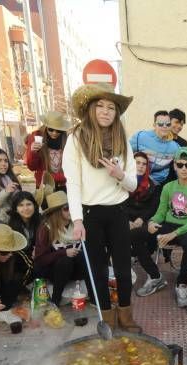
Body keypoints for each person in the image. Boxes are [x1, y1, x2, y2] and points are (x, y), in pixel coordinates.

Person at [63, 82, 142, 333]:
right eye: (101, 106)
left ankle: (126, 316)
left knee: (122, 268)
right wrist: (77, 220)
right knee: (96, 270)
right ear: (91, 109)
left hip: (118, 211)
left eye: (111, 107)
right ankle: (107, 319)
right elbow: (72, 183)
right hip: (89, 214)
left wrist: (119, 174)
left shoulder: (123, 140)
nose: (106, 111)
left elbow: (132, 185)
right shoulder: (76, 139)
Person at [133, 147, 187, 308]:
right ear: (174, 166)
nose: (183, 169)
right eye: (180, 165)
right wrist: (153, 222)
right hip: (168, 223)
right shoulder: (168, 187)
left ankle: (181, 285)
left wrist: (174, 234)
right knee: (136, 234)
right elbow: (161, 212)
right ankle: (155, 276)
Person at [33, 191, 93, 308]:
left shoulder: (78, 224)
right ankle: (55, 300)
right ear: (57, 212)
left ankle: (94, 297)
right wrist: (63, 252)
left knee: (83, 256)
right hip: (55, 271)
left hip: (77, 269)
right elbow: (40, 260)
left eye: (73, 207)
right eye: (66, 208)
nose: (71, 211)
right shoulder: (46, 228)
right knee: (65, 260)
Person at [126, 151, 161, 274]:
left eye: (144, 164)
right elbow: (119, 205)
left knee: (135, 237)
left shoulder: (153, 186)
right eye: (137, 163)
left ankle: (129, 259)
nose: (141, 166)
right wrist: (127, 221)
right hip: (126, 220)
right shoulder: (123, 182)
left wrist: (141, 219)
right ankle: (155, 275)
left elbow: (153, 207)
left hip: (145, 222)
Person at [128, 110, 180, 188]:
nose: (164, 126)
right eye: (160, 124)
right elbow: (125, 154)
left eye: (168, 124)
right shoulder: (140, 137)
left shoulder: (175, 147)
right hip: (137, 182)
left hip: (158, 186)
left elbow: (182, 166)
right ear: (154, 125)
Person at [24, 110, 73, 193]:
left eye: (58, 130)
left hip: (64, 186)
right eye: (51, 129)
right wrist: (33, 152)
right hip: (45, 187)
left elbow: (71, 167)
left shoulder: (67, 140)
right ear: (46, 127)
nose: (54, 133)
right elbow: (32, 167)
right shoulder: (37, 138)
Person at [7, 191, 41, 256]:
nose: (26, 208)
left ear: (34, 206)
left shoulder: (40, 220)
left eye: (29, 204)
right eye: (21, 205)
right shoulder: (10, 227)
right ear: (16, 209)